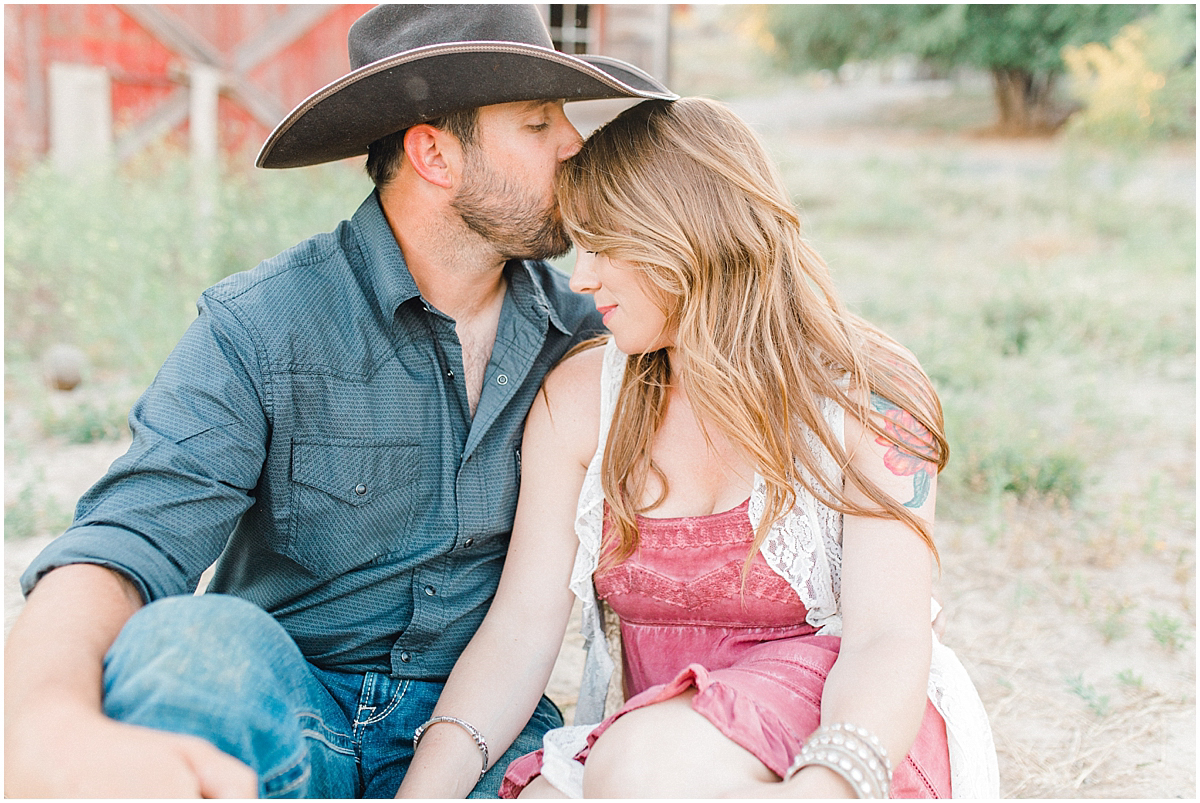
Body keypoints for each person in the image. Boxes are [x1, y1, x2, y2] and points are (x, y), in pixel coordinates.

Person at [4, 5, 673, 798]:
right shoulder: (263, 324)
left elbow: (762, 371)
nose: (574, 143)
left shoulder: (588, 335)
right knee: (185, 641)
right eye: (536, 123)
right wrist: (40, 717)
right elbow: (124, 539)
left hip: (478, 725)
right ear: (434, 154)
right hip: (288, 702)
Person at [395, 97, 999, 799]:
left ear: (685, 238)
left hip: (850, 736)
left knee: (642, 762)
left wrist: (827, 784)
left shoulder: (870, 398)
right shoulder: (583, 399)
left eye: (603, 246)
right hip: (660, 757)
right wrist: (426, 789)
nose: (582, 279)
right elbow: (520, 631)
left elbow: (887, 639)